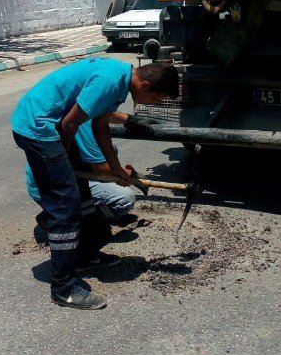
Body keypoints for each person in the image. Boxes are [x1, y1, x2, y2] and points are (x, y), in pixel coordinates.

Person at [11, 58, 180, 310]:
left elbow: (100, 125)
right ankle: (63, 287)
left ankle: (85, 254)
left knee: (84, 198)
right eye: (156, 99)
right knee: (65, 205)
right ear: (144, 86)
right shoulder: (110, 81)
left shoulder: (120, 79)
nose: (152, 105)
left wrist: (116, 169)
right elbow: (69, 124)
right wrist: (65, 163)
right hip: (38, 127)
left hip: (53, 126)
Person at [26, 114, 142, 243]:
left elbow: (106, 113)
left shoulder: (84, 110)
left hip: (69, 173)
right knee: (125, 199)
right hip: (51, 187)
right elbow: (101, 168)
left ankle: (76, 212)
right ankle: (60, 219)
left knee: (110, 149)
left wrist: (130, 120)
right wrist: (129, 175)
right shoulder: (82, 124)